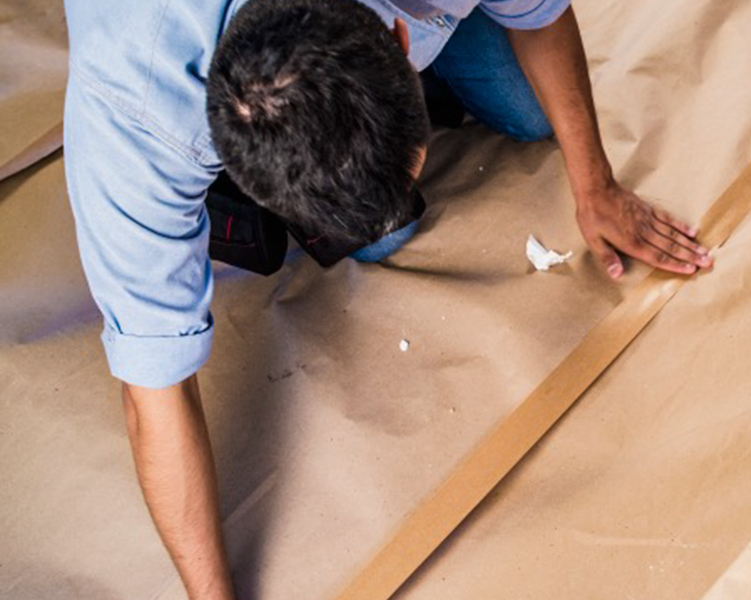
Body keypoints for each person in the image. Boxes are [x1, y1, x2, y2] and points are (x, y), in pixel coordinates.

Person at [63, 0, 712, 597]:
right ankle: (319, 158)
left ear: (401, 34)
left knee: (533, 112)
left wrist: (595, 185)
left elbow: (542, 16)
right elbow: (156, 393)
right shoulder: (134, 116)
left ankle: (372, 115)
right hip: (180, 86)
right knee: (381, 233)